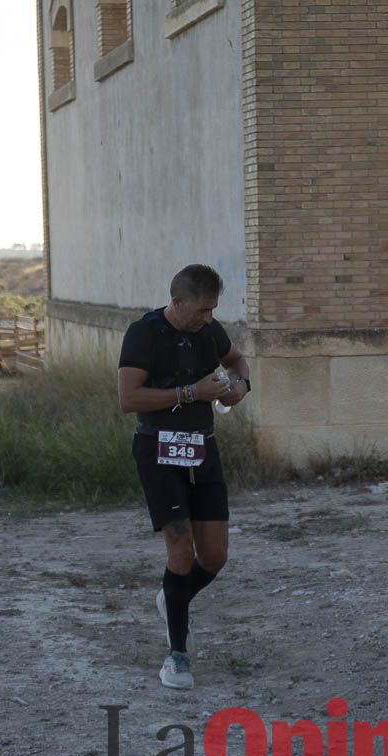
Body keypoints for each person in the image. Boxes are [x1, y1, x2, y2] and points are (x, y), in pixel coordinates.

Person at [117, 264, 251, 689]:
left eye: (213, 310)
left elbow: (237, 360)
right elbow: (128, 398)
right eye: (201, 310)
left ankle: (172, 596)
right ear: (177, 302)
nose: (208, 318)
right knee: (179, 545)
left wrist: (241, 386)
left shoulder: (211, 332)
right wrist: (192, 393)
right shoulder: (145, 333)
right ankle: (177, 657)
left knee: (214, 557)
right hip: (158, 449)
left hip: (203, 448)